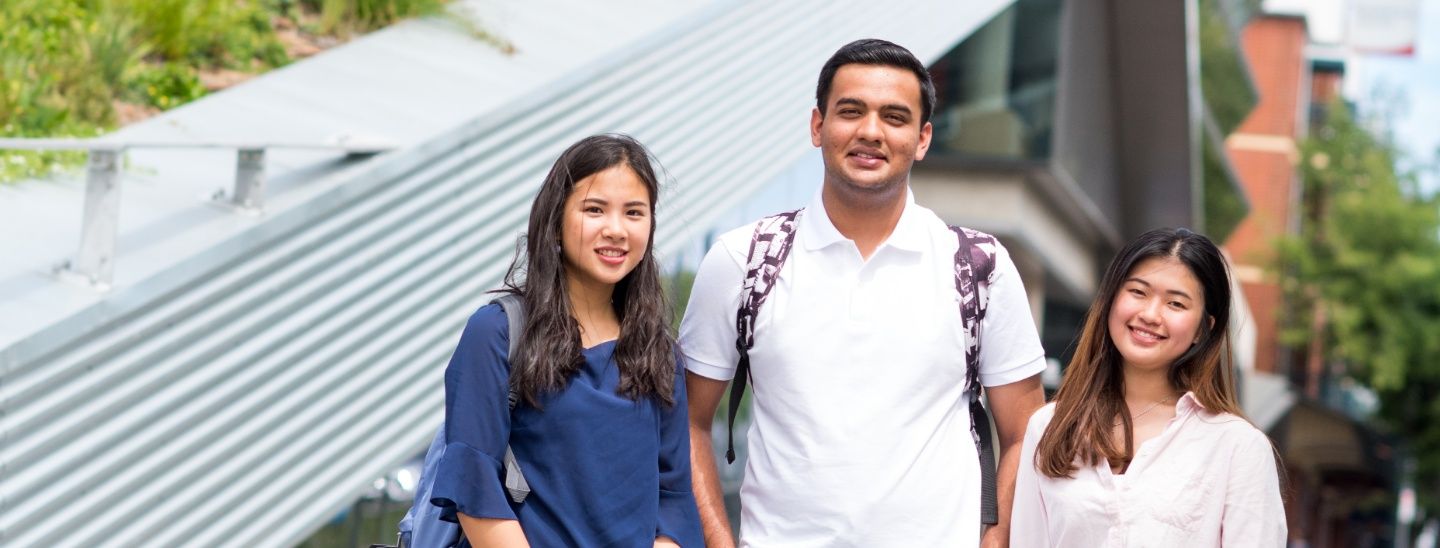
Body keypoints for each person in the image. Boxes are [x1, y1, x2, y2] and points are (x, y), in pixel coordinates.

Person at [679, 39, 1047, 547]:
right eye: (850, 111)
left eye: (894, 117)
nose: (870, 132)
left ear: (922, 139)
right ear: (818, 126)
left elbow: (1024, 435)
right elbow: (688, 422)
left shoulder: (979, 267)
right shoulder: (743, 261)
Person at [429, 134, 704, 547]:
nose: (615, 229)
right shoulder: (498, 333)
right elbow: (475, 487)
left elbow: (675, 500)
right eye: (594, 210)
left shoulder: (659, 353)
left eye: (634, 212)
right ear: (555, 221)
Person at [1010, 228, 1287, 546]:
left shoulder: (1237, 447)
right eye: (1138, 292)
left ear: (1203, 329)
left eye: (1176, 304)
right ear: (1112, 299)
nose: (1150, 315)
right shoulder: (1048, 427)